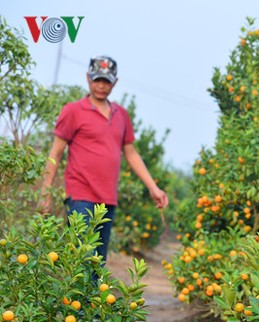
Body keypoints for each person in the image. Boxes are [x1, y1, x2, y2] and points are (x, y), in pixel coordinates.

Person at [40, 55, 168, 264]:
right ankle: (78, 298)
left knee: (98, 263)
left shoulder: (121, 115)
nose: (101, 86)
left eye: (106, 81)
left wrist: (153, 188)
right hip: (80, 196)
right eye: (97, 80)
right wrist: (46, 192)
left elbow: (131, 152)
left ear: (115, 82)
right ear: (88, 78)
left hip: (107, 200)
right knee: (82, 260)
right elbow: (55, 153)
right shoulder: (73, 111)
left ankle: (90, 298)